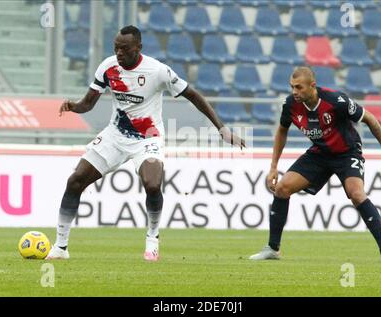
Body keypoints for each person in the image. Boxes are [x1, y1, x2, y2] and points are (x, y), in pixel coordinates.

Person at [46, 25, 245, 261]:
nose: (119, 53)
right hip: (115, 135)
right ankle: (60, 247)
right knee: (75, 180)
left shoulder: (158, 71)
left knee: (152, 185)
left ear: (138, 47)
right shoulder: (108, 67)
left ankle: (152, 237)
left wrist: (221, 128)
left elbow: (193, 95)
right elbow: (88, 103)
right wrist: (74, 106)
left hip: (147, 138)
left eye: (124, 48)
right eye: (116, 48)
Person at [249, 66, 381, 263]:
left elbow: (370, 119)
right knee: (282, 188)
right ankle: (272, 248)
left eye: (299, 87)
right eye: (292, 87)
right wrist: (273, 167)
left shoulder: (337, 101)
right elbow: (282, 130)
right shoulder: (291, 105)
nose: (294, 92)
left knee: (356, 193)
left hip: (347, 152)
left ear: (313, 86)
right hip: (320, 153)